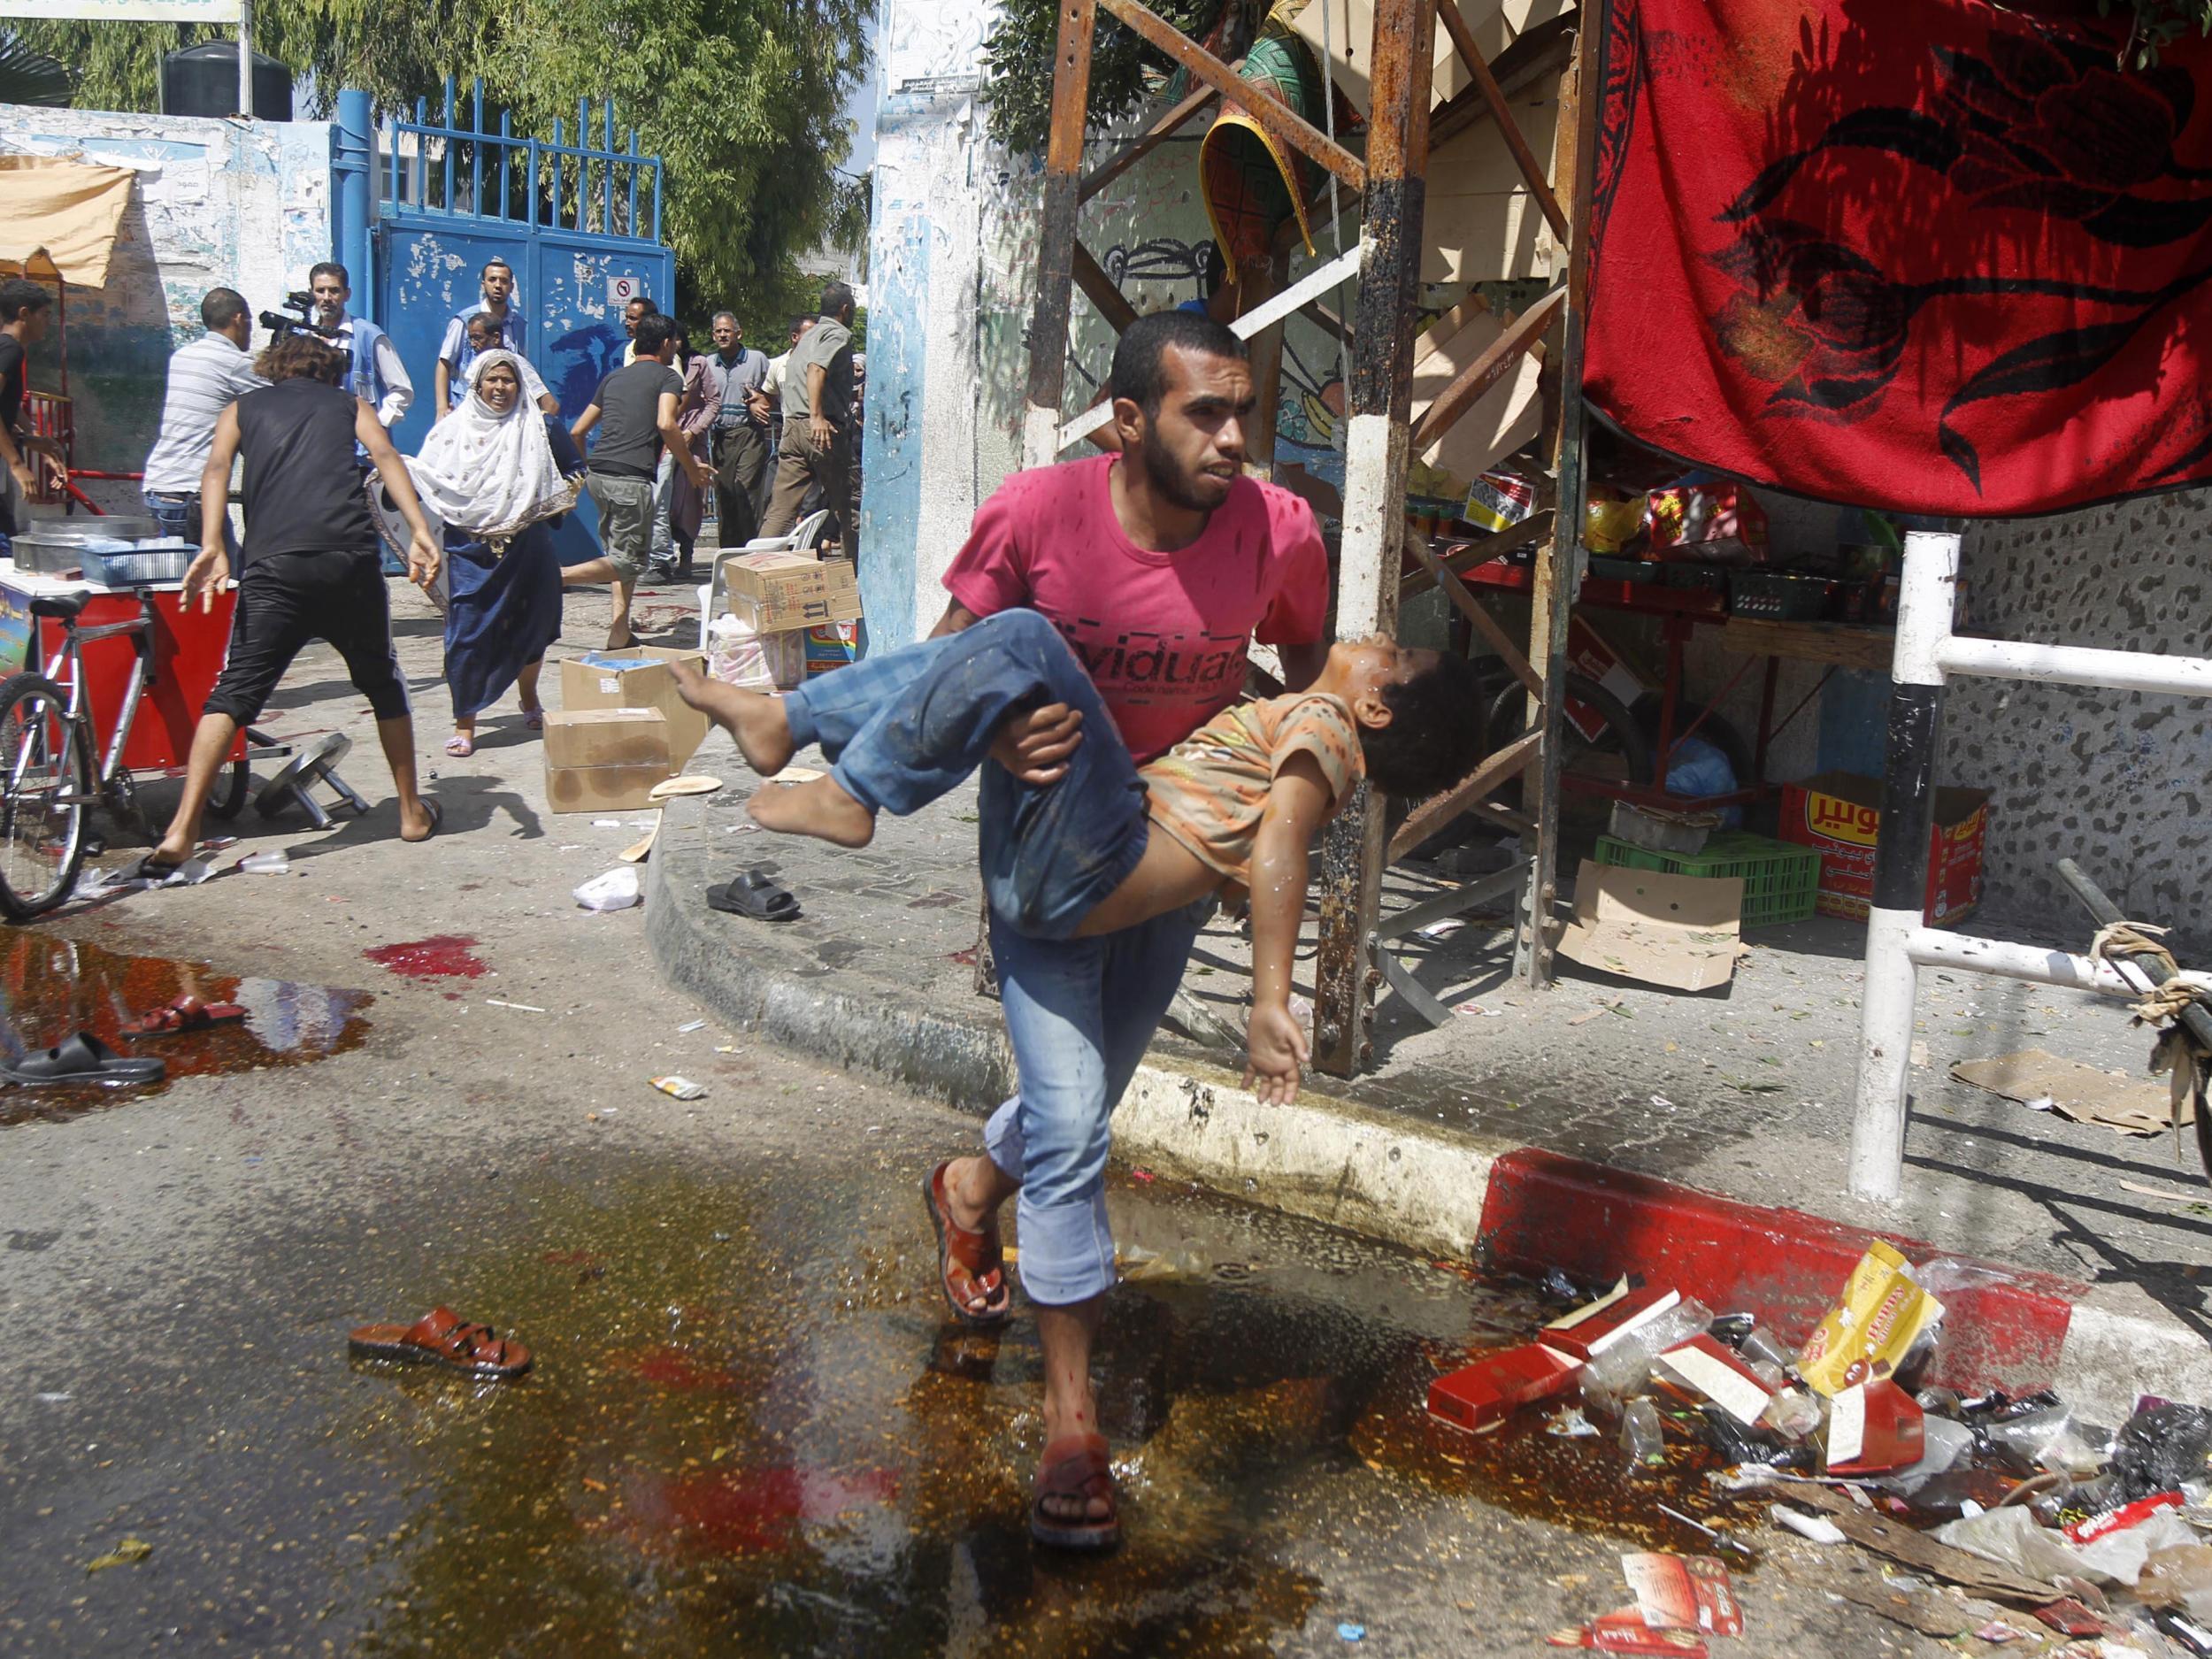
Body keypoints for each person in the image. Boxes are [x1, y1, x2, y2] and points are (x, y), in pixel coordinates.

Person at [146, 333, 443, 874]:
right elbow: (384, 454)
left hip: (273, 566)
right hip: (346, 561)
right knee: (382, 683)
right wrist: (420, 528)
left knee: (234, 691)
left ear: (271, 369)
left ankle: (182, 828)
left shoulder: (241, 407)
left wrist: (212, 543)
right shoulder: (349, 403)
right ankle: (410, 813)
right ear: (328, 371)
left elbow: (214, 470)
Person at [373, 349, 581, 756]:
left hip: (528, 542)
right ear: (477, 383)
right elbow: (428, 479)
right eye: (493, 380)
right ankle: (465, 720)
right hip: (470, 546)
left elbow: (575, 468)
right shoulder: (450, 431)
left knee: (533, 627)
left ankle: (530, 697)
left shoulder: (540, 426)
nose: (501, 388)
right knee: (467, 632)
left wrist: (553, 498)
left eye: (509, 380)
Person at [565, 312, 710, 648]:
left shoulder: (614, 378)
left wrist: (589, 468)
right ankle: (554, 577)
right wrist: (691, 469)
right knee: (628, 562)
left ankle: (619, 632)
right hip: (631, 480)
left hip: (599, 477)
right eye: (674, 342)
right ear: (665, 344)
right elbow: (666, 423)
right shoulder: (669, 378)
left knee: (618, 557)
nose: (676, 347)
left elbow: (577, 431)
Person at [141, 288, 266, 549]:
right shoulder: (234, 362)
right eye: (249, 322)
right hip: (192, 493)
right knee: (222, 580)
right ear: (238, 318)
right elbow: (283, 398)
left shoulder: (182, 356)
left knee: (184, 577)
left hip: (161, 485)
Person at [761, 282, 857, 545]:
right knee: (851, 505)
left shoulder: (808, 337)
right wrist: (817, 417)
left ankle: (757, 569)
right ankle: (857, 577)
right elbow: (816, 369)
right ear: (845, 309)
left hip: (792, 429)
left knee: (781, 510)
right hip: (821, 430)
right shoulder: (837, 334)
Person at [308, 263, 411, 436]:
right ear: (311, 293)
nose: (327, 297)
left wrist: (376, 426)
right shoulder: (304, 336)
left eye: (334, 290)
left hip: (359, 448)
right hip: (314, 441)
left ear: (347, 294)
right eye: (320, 291)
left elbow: (402, 390)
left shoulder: (368, 335)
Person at [0, 279, 66, 551]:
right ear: (24, 314)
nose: (48, 322)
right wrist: (17, 464)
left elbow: (8, 406)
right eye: (45, 315)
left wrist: (38, 440)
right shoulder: (10, 350)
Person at [701, 311, 772, 545]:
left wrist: (758, 401)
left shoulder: (757, 359)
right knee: (725, 494)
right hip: (721, 438)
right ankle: (728, 550)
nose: (723, 335)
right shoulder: (709, 363)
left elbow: (771, 393)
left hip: (749, 433)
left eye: (727, 330)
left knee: (747, 491)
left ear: (738, 333)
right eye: (718, 331)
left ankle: (751, 547)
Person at [433, 257, 522, 419]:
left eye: (503, 281)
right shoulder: (465, 320)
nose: (497, 285)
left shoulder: (518, 324)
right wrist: (441, 408)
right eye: (492, 280)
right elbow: (444, 363)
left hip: (503, 410)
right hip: (466, 407)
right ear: (483, 285)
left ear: (511, 287)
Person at [751, 314, 814, 480]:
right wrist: (754, 405)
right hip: (791, 436)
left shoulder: (824, 364)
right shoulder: (778, 365)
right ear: (795, 337)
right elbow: (766, 401)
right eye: (811, 334)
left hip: (820, 435)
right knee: (787, 488)